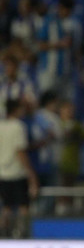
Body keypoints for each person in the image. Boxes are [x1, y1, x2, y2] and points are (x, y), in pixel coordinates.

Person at [0, 99, 39, 237]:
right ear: (16, 110)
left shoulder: (1, 126)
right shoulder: (18, 126)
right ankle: (22, 235)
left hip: (3, 173)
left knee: (6, 206)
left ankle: (4, 235)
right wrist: (32, 175)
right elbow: (20, 152)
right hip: (17, 172)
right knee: (23, 206)